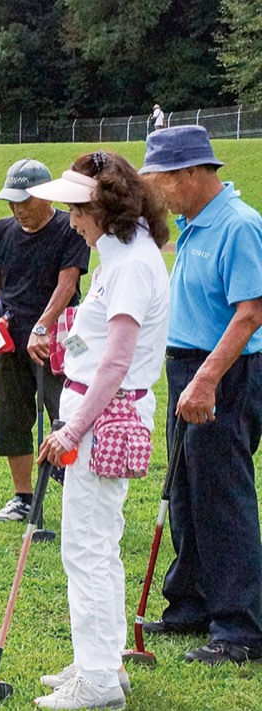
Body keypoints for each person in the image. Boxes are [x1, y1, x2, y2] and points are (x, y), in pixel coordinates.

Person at [28, 150, 171, 711]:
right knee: (98, 545)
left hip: (102, 420)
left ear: (103, 207)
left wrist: (70, 430)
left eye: (76, 210)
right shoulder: (119, 254)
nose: (69, 220)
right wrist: (64, 352)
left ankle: (99, 681)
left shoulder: (132, 264)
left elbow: (117, 362)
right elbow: (97, 344)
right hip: (99, 411)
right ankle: (103, 661)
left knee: (86, 549)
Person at [139, 125, 262, 665]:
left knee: (221, 495)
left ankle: (241, 627)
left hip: (224, 371)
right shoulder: (193, 223)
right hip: (186, 365)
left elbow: (251, 313)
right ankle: (191, 604)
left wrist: (207, 378)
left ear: (191, 173)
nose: (156, 189)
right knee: (185, 490)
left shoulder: (238, 225)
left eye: (161, 178)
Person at [0, 159, 91, 521]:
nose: (17, 210)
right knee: (12, 417)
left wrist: (43, 325)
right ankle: (23, 498)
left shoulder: (69, 229)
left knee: (68, 411)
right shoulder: (0, 231)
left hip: (62, 335)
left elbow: (67, 285)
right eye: (12, 203)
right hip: (10, 337)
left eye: (24, 201)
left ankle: (80, 494)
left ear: (45, 196)